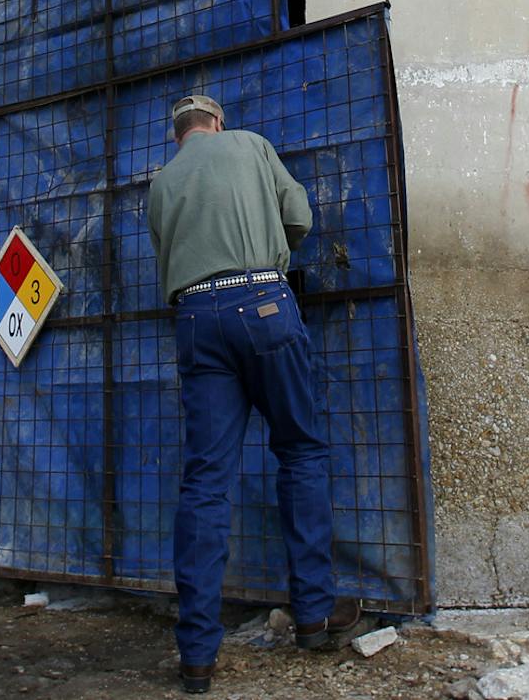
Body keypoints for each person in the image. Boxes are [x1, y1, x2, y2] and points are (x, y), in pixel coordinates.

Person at [146, 93, 363, 693]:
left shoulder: (162, 185)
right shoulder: (249, 145)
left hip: (195, 318)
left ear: (178, 135)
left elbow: (166, 259)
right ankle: (314, 616)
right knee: (299, 450)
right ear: (216, 123)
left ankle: (196, 658)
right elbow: (301, 218)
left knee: (206, 480)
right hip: (263, 299)